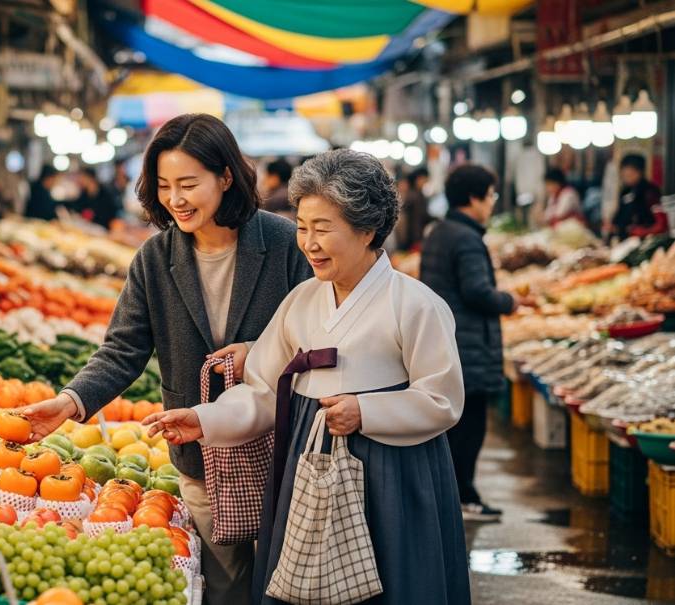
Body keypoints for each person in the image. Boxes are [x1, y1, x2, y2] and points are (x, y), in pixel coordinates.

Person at [143, 149, 469, 605]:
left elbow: (443, 400)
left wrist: (367, 411)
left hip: (392, 473)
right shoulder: (301, 302)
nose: (308, 243)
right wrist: (206, 420)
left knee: (395, 583)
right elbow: (261, 389)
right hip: (306, 459)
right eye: (301, 228)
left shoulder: (415, 305)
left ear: (367, 229)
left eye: (322, 229)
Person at [20, 114, 312, 605]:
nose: (176, 198)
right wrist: (71, 402)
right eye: (164, 185)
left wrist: (259, 355)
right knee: (226, 588)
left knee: (290, 585)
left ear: (225, 177)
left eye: (188, 184)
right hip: (200, 452)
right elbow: (123, 349)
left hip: (282, 448)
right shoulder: (155, 259)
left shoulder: (282, 243)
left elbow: (320, 330)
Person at [420, 164, 518, 522]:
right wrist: (508, 300)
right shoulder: (466, 238)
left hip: (448, 338)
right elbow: (476, 291)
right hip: (468, 344)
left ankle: (454, 493)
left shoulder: (439, 232)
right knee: (469, 424)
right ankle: (464, 495)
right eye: (490, 196)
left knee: (454, 426)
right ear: (474, 198)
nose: (491, 203)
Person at [609, 154, 667, 240]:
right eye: (623, 175)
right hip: (625, 241)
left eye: (629, 174)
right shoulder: (625, 191)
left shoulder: (650, 191)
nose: (625, 178)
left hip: (646, 241)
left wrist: (644, 231)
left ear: (639, 172)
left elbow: (661, 224)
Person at [396, 168, 430, 250]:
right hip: (412, 238)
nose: (425, 182)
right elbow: (415, 220)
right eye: (424, 179)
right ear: (418, 179)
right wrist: (416, 239)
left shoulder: (414, 194)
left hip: (409, 237)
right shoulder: (415, 196)